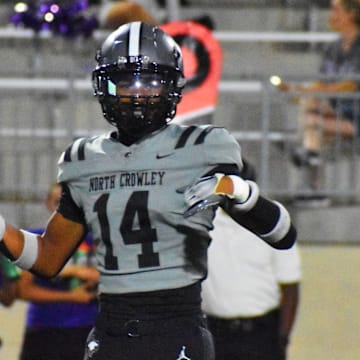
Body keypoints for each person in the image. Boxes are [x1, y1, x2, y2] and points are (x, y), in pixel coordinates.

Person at [0, 22, 297, 360]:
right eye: (127, 82)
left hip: (177, 328)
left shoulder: (204, 146)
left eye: (151, 82)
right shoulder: (84, 159)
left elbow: (283, 234)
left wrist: (240, 192)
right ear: (106, 87)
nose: (138, 93)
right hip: (111, 330)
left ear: (171, 86)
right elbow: (47, 257)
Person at [201, 163, 301, 360]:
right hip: (214, 332)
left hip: (262, 334)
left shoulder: (272, 223)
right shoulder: (203, 223)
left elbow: (290, 288)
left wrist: (281, 340)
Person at [278, 0, 360, 190]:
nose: (331, 14)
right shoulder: (332, 48)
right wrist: (299, 90)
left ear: (352, 14)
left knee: (312, 127)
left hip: (356, 117)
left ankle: (310, 175)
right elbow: (322, 82)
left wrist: (311, 91)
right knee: (312, 123)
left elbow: (351, 85)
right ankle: (313, 182)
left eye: (336, 10)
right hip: (338, 113)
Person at [18, 183, 99, 360]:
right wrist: (74, 274)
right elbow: (22, 290)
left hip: (87, 329)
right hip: (44, 328)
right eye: (59, 202)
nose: (65, 210)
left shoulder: (98, 240)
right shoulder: (34, 238)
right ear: (48, 203)